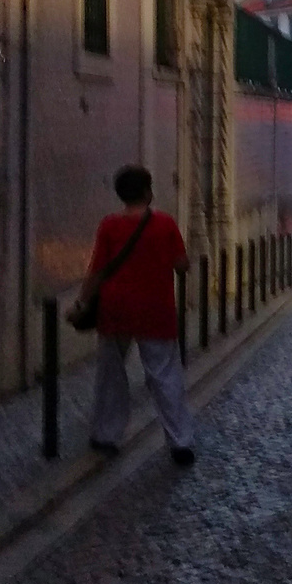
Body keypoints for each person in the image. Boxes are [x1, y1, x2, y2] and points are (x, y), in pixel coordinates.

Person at [68, 165, 196, 466]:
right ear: (148, 192)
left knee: (110, 376)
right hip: (155, 310)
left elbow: (96, 272)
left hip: (116, 311)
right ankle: (181, 442)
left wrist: (80, 303)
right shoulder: (165, 224)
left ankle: (105, 436)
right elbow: (182, 265)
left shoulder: (109, 226)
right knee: (165, 377)